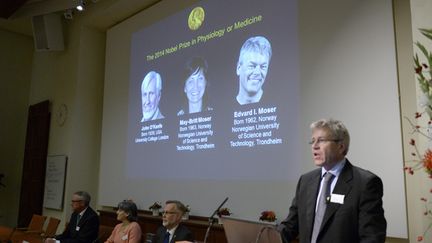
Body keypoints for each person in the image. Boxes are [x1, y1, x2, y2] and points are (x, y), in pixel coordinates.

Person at [277, 119, 386, 243]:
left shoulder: (365, 183)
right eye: (312, 141)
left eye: (321, 140)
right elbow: (290, 226)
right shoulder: (306, 181)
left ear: (340, 146)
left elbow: (372, 238)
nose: (314, 146)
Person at [235, 36, 272, 105]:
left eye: (263, 67)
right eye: (252, 66)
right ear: (238, 68)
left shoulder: (276, 102)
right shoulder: (223, 105)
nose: (257, 72)